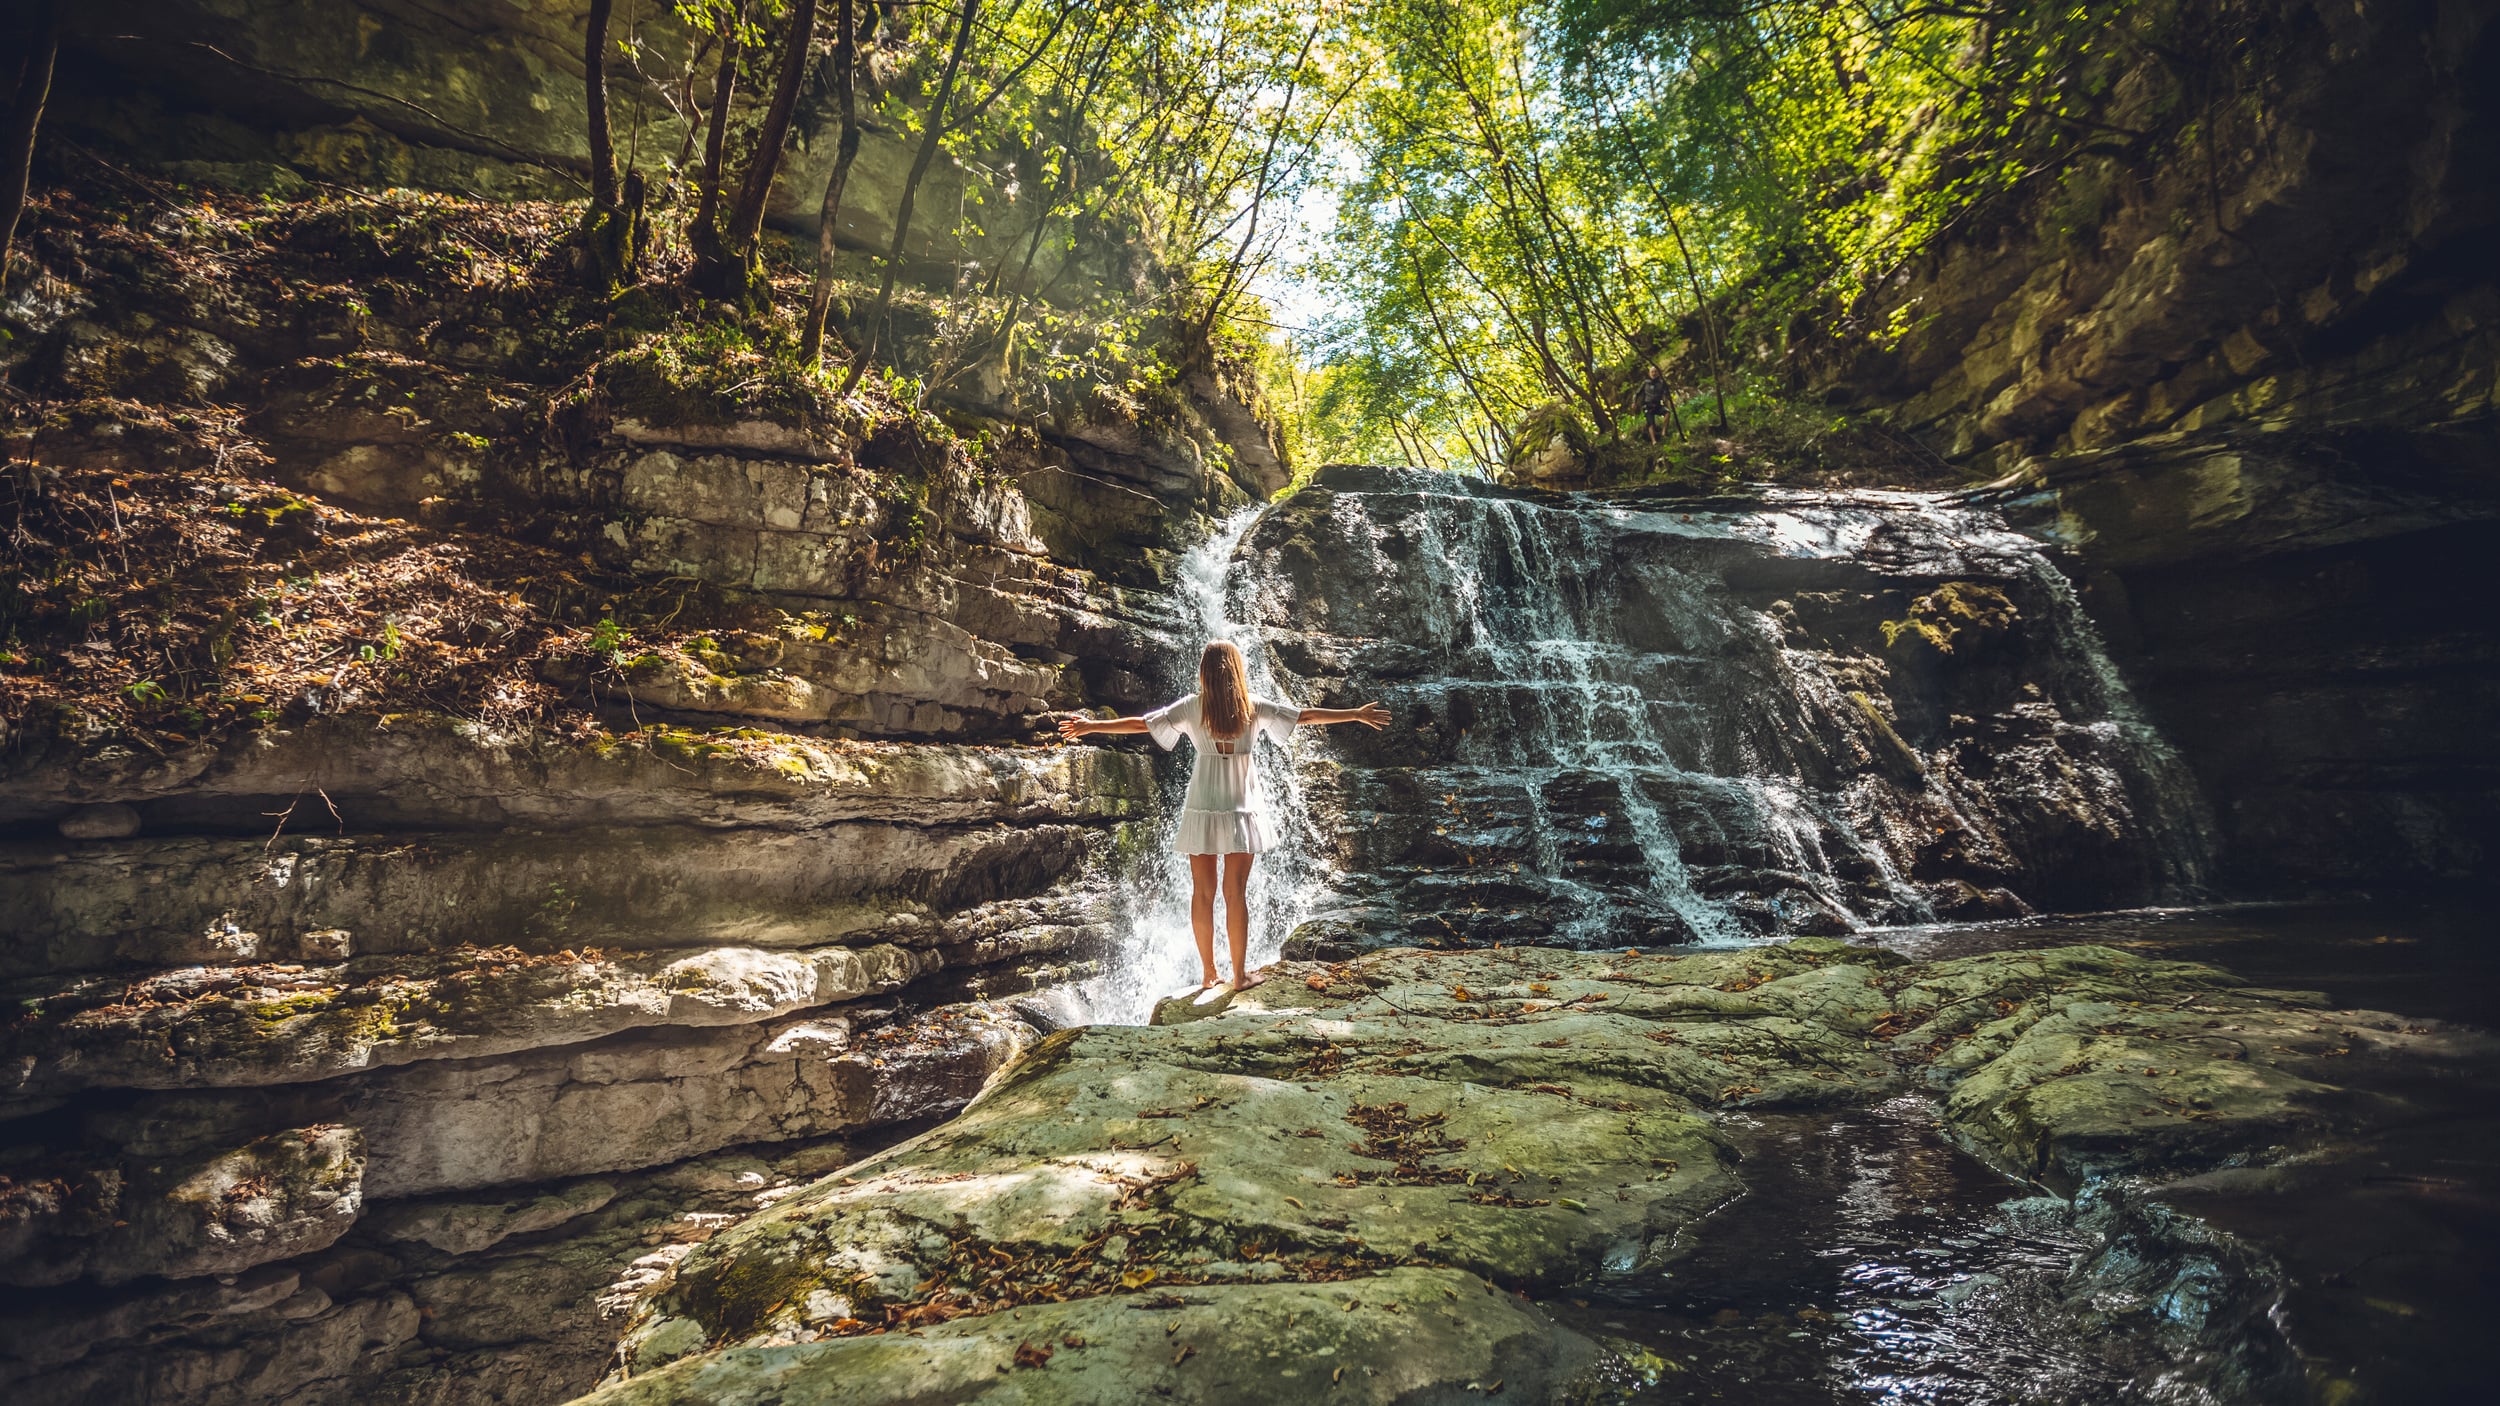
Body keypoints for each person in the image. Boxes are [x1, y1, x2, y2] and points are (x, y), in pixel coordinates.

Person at [1058, 641, 1389, 991]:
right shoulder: (1253, 707)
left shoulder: (1192, 707)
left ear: (1204, 672)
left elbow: (1142, 724)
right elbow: (1304, 715)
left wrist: (1091, 726)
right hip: (1241, 806)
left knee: (1202, 893)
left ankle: (1208, 974)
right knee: (1236, 894)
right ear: (1237, 670)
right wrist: (1355, 713)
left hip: (1203, 802)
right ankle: (1240, 975)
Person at [1634, 363, 1676, 445]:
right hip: (1648, 406)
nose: (1654, 373)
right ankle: (1654, 441)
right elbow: (1637, 393)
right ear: (1649, 373)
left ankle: (1663, 432)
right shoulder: (1645, 383)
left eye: (1655, 372)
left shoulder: (1661, 383)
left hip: (1658, 405)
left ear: (1658, 373)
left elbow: (1666, 393)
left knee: (1667, 413)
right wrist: (1634, 403)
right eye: (1652, 372)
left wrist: (1669, 400)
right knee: (1650, 423)